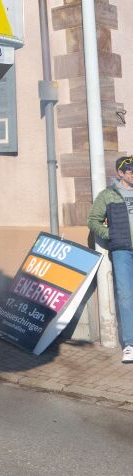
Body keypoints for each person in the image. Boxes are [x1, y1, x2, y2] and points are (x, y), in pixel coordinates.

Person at [87, 155, 133, 364]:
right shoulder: (108, 195)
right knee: (125, 296)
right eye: (130, 171)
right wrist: (111, 234)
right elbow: (93, 220)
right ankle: (130, 344)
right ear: (120, 173)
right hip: (123, 251)